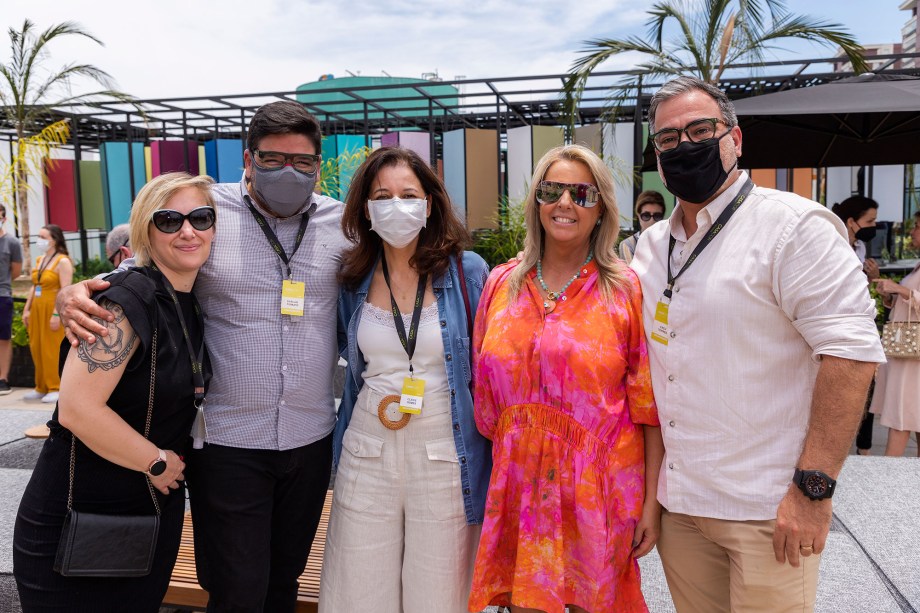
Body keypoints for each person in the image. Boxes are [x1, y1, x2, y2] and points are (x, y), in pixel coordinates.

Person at [57, 101, 349, 612]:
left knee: (286, 581)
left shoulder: (343, 224)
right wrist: (75, 292)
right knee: (237, 589)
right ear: (247, 158)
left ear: (319, 165)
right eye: (274, 159)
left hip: (310, 437)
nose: (290, 172)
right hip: (228, 441)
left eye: (303, 163)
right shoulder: (207, 214)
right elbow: (149, 262)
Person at [630, 76, 885, 612]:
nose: (685, 145)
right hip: (682, 507)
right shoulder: (649, 249)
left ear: (736, 139)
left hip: (768, 509)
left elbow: (852, 354)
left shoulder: (794, 228)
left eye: (701, 130)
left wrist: (813, 492)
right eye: (668, 139)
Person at [468, 144, 662, 613]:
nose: (565, 203)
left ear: (602, 210)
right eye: (552, 190)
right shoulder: (501, 283)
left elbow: (648, 407)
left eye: (582, 193)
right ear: (537, 200)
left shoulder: (625, 289)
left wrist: (651, 506)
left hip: (600, 493)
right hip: (519, 489)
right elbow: (483, 392)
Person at [13, 172, 216, 612]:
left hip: (144, 518)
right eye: (169, 220)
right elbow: (77, 409)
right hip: (79, 518)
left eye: (201, 218)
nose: (188, 230)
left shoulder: (189, 298)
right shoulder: (125, 300)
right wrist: (157, 461)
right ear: (145, 228)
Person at [319, 147, 490, 612]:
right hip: (367, 447)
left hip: (445, 446)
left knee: (439, 595)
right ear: (366, 208)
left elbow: (491, 362)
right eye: (382, 195)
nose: (397, 205)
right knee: (358, 591)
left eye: (408, 194)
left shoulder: (467, 271)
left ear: (429, 203)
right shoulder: (352, 276)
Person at [832, 196, 881, 455]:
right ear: (851, 222)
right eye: (869, 221)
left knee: (865, 387)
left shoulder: (859, 247)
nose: (873, 226)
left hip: (860, 325)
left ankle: (863, 447)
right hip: (839, 328)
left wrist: (872, 278)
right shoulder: (834, 246)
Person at [870, 211, 920, 457]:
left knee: (902, 413)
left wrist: (900, 289)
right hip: (907, 350)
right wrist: (890, 295)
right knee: (911, 412)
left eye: (918, 227)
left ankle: (889, 473)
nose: (912, 232)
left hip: (912, 355)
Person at [22, 224, 73, 404]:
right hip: (37, 308)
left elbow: (65, 289)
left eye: (44, 237)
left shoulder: (63, 261)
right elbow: (34, 286)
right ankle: (41, 385)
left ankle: (56, 386)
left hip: (52, 307)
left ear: (55, 240)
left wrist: (56, 314)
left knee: (52, 348)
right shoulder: (40, 260)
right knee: (37, 346)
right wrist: (27, 309)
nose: (40, 240)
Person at [0, 204, 22, 395]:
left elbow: (15, 271)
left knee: (4, 338)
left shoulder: (12, 243)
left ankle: (3, 378)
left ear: (4, 218)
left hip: (2, 295)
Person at [618, 190, 666, 264]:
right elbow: (631, 274)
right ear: (638, 216)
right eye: (646, 216)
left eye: (657, 216)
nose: (652, 220)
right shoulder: (629, 245)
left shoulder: (670, 244)